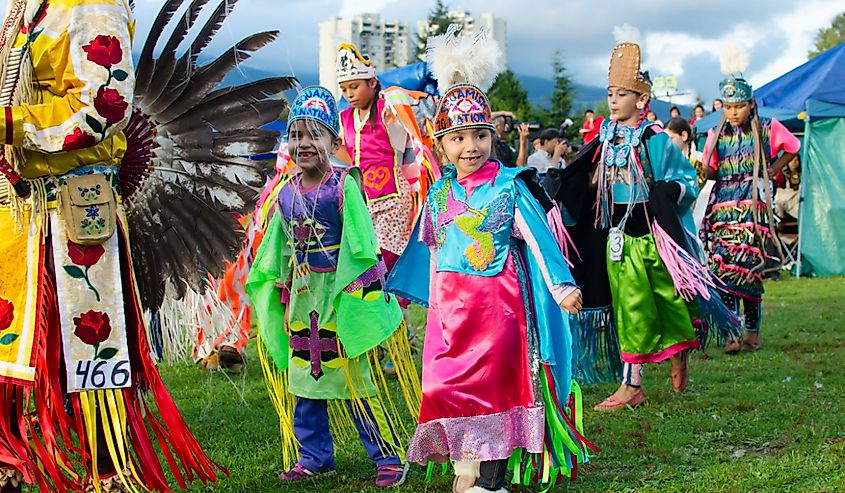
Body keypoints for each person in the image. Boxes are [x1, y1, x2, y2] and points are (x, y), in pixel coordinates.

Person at [0, 1, 228, 491]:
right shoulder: (27, 7)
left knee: (88, 349)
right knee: (15, 350)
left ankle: (109, 472)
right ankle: (13, 461)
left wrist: (10, 123)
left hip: (69, 215)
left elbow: (103, 106)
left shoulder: (89, 4)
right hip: (22, 213)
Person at [387, 25, 593, 493]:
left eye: (479, 135)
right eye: (458, 139)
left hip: (500, 313)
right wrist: (414, 296)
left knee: (494, 393)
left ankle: (487, 480)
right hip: (449, 318)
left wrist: (562, 288)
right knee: (444, 390)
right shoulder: (438, 194)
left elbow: (539, 241)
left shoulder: (509, 186)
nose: (470, 147)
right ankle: (466, 472)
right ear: (441, 145)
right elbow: (431, 252)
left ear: (493, 137)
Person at [246, 86, 417, 488]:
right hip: (304, 299)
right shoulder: (285, 194)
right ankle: (314, 456)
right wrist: (280, 287)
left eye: (314, 134)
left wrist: (357, 298)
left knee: (355, 378)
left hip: (341, 296)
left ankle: (387, 456)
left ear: (334, 142)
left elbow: (361, 244)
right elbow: (277, 248)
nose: (303, 143)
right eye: (296, 135)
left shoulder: (343, 186)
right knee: (306, 382)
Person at [560, 42, 740, 412]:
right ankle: (631, 384)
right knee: (629, 305)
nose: (613, 100)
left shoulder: (655, 139)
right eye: (610, 93)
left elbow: (687, 180)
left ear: (642, 100)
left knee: (667, 299)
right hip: (617, 236)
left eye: (622, 94)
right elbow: (587, 174)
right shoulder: (605, 138)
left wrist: (669, 190)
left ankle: (679, 349)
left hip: (655, 235)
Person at [702, 48, 800, 353]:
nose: (733, 112)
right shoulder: (714, 134)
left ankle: (752, 334)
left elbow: (793, 147)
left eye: (739, 106)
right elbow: (710, 170)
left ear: (750, 105)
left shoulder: (766, 129)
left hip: (753, 206)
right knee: (724, 267)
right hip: (723, 207)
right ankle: (732, 332)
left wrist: (772, 169)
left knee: (749, 267)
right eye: (728, 106)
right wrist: (698, 171)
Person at [665, 117, 713, 232]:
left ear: (684, 136)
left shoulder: (700, 162)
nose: (666, 144)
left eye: (671, 138)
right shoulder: (667, 164)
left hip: (698, 221)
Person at [774, 155, 801, 221]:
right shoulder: (782, 174)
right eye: (792, 160)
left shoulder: (800, 173)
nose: (794, 163)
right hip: (786, 202)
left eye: (796, 160)